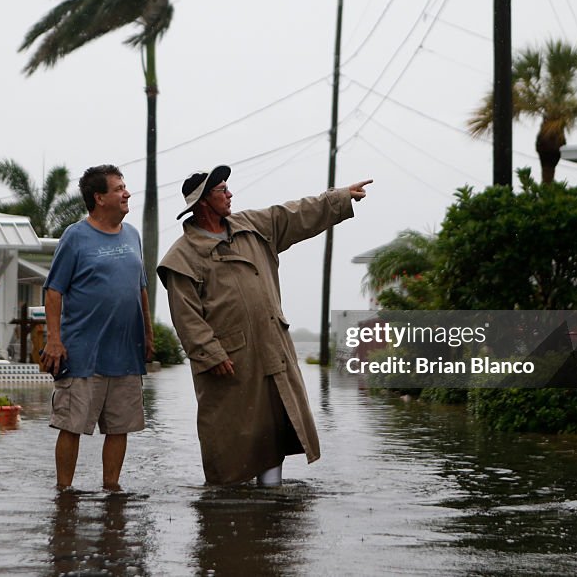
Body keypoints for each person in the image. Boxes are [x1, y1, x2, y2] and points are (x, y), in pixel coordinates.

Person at [157, 165, 371, 485]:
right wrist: (210, 354)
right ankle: (226, 505)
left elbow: (295, 214)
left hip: (273, 350)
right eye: (222, 191)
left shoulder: (253, 225)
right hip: (229, 362)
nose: (230, 195)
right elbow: (186, 315)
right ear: (202, 202)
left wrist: (338, 199)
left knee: (274, 429)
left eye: (228, 189)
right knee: (231, 436)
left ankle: (270, 501)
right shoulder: (182, 257)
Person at [41, 164, 154, 490]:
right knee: (71, 425)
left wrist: (147, 334)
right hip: (82, 352)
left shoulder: (132, 235)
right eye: (119, 188)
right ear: (99, 197)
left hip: (125, 352)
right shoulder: (76, 237)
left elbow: (141, 288)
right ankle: (64, 492)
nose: (127, 193)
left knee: (120, 427)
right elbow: (53, 290)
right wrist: (54, 341)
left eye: (125, 187)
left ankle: (112, 489)